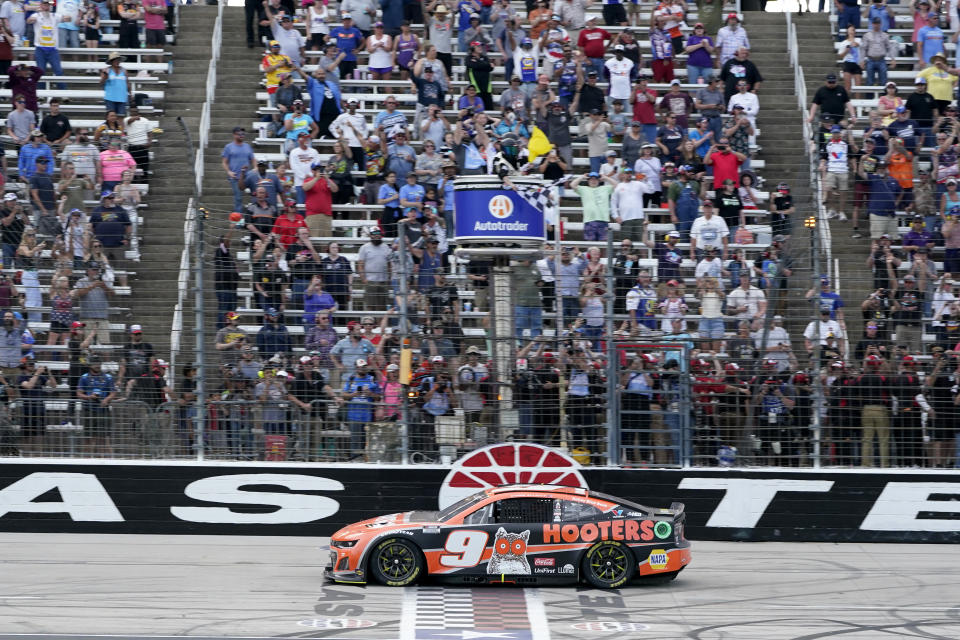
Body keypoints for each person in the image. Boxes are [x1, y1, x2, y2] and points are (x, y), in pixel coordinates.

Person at [76, 357, 116, 456]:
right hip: (89, 410)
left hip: (103, 410)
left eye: (99, 363)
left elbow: (113, 393)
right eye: (95, 363)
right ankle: (86, 461)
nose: (97, 365)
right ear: (90, 365)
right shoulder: (84, 377)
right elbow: (79, 393)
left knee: (103, 438)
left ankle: (104, 461)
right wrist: (89, 397)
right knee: (88, 438)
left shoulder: (108, 377)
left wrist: (106, 400)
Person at [221, 127, 255, 213]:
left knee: (256, 195)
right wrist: (229, 172)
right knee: (238, 198)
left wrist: (256, 168)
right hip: (235, 177)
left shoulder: (247, 146)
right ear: (234, 135)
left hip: (247, 176)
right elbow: (224, 162)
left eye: (243, 134)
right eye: (239, 134)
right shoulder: (228, 147)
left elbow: (253, 159)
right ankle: (238, 221)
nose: (241, 135)